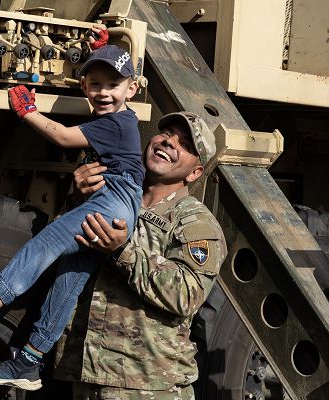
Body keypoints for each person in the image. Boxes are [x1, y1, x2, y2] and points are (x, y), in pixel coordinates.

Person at [0, 33, 144, 390]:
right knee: (68, 281)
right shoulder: (118, 119)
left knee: (44, 245)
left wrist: (28, 111)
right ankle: (29, 361)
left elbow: (60, 136)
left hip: (112, 200)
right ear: (83, 85)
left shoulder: (116, 124)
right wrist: (98, 50)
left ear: (132, 89)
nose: (104, 93)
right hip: (117, 205)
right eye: (95, 84)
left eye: (114, 85)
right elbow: (104, 79)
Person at [52, 111, 228, 399]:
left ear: (194, 172)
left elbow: (187, 293)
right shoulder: (110, 195)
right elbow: (56, 255)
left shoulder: (194, 222)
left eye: (184, 144)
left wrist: (122, 251)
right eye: (167, 133)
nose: (170, 142)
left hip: (147, 385)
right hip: (84, 376)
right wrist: (76, 201)